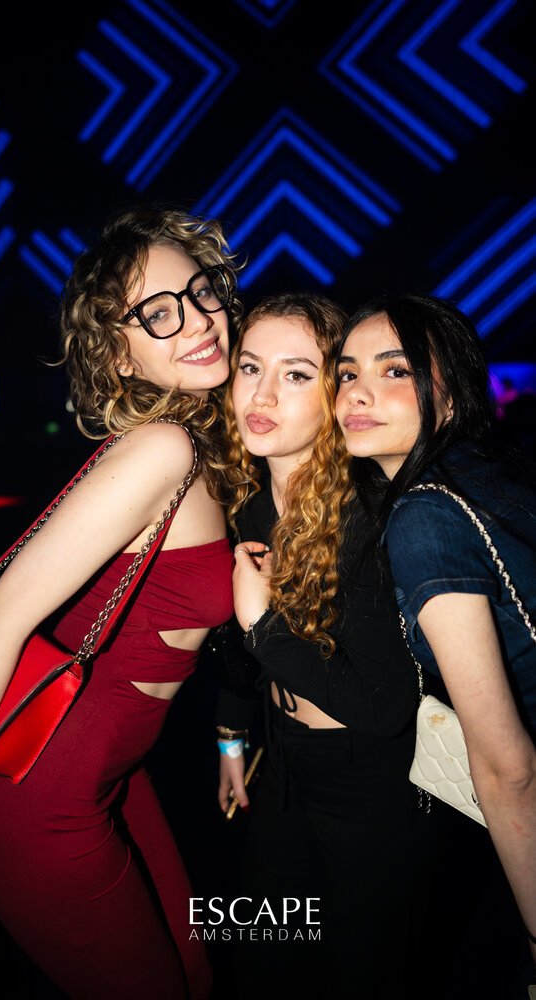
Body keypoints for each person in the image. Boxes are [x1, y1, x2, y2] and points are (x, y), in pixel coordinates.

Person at [0, 204, 242, 999]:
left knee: (195, 975)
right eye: (158, 313)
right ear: (118, 354)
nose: (198, 319)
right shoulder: (162, 446)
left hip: (114, 778)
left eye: (201, 292)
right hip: (42, 798)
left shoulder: (196, 440)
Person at [215, 292, 432, 998]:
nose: (262, 394)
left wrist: (263, 626)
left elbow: (383, 709)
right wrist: (231, 739)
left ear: (335, 394)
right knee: (262, 961)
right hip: (283, 767)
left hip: (366, 785)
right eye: (250, 367)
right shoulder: (249, 503)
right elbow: (239, 652)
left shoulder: (367, 517)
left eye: (297, 374)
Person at [335, 291, 536, 994]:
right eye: (347, 372)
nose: (357, 392)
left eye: (395, 370)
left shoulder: (423, 515)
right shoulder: (491, 474)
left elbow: (507, 766)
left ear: (450, 395)